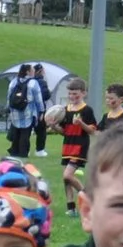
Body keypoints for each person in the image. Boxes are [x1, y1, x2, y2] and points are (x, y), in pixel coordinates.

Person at [46, 80, 98, 212]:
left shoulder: (86, 110)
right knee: (66, 180)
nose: (72, 96)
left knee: (67, 175)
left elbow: (92, 131)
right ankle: (71, 208)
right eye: (70, 94)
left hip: (80, 146)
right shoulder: (65, 110)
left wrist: (81, 124)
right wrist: (53, 126)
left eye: (75, 94)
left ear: (83, 93)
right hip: (67, 146)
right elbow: (65, 132)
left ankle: (88, 197)